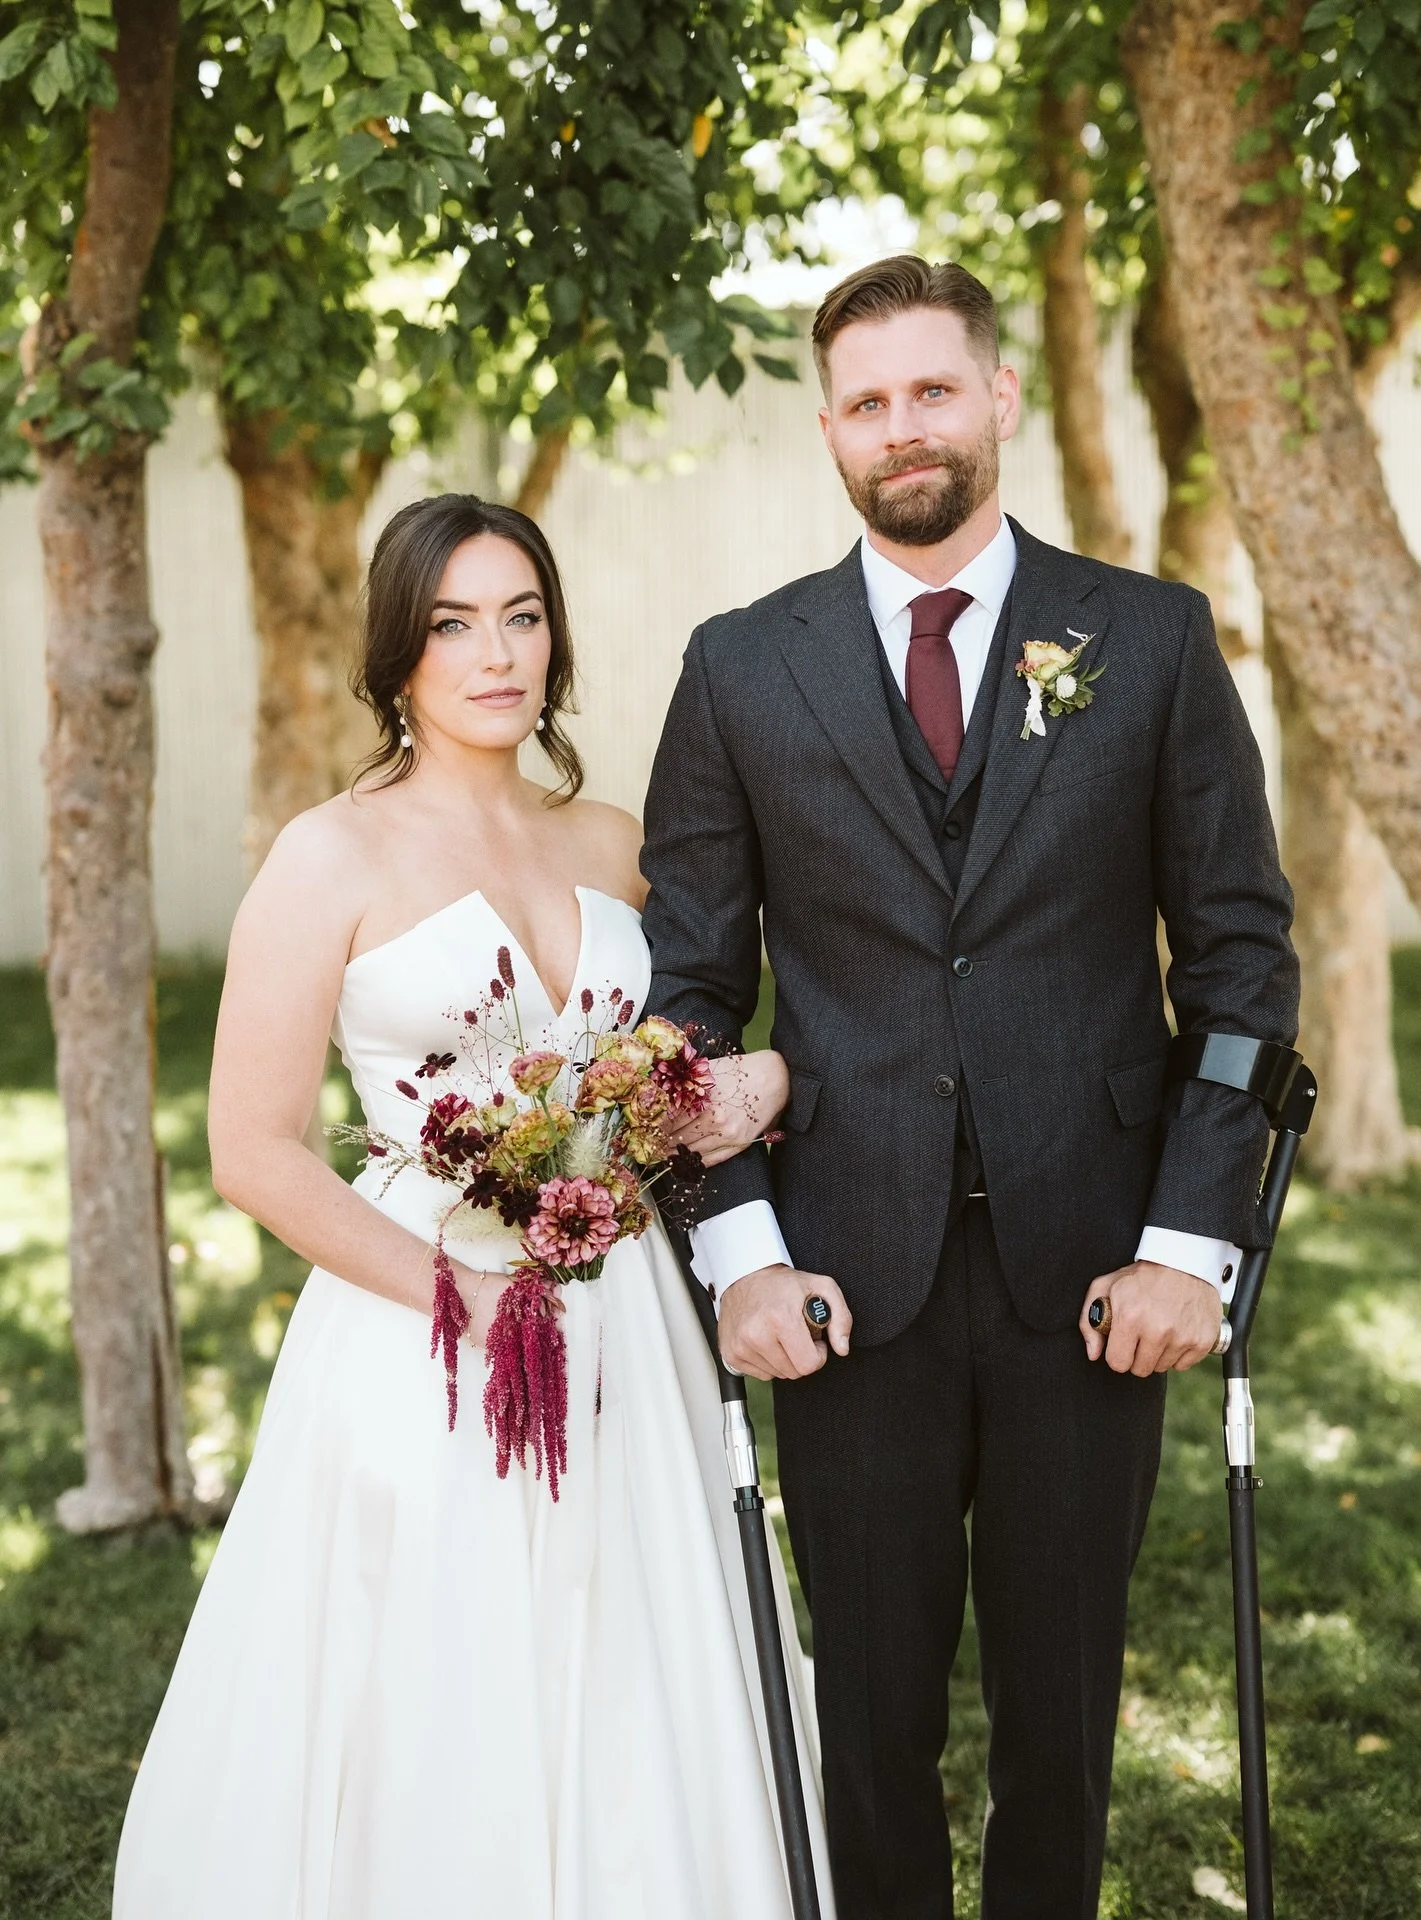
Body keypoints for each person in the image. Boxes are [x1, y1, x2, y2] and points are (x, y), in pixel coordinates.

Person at [642, 256, 1300, 1920]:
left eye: (932, 388)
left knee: (1063, 1718)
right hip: (843, 1282)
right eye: (866, 402)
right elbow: (690, 1002)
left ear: (999, 396)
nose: (901, 428)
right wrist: (736, 1257)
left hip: (1097, 1276)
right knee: (869, 1719)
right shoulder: (738, 668)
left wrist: (1191, 1251)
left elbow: (1238, 967)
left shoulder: (1147, 640)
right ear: (828, 431)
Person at [114, 495, 835, 1920]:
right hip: (427, 1326)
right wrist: (475, 1295)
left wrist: (745, 1085)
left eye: (521, 615)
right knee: (439, 1665)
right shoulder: (328, 856)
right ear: (399, 654)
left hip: (625, 1310)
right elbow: (254, 1150)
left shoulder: (619, 842)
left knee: (644, 1645)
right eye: (453, 624)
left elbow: (688, 1061)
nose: (494, 653)